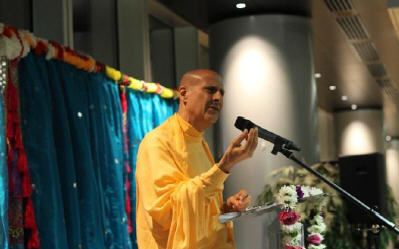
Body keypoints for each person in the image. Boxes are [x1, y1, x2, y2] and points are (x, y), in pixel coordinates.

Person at [135, 69, 258, 249]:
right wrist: (223, 167)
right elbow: (167, 212)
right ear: (184, 94)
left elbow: (195, 207)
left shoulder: (199, 142)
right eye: (210, 90)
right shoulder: (157, 142)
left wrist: (224, 208)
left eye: (221, 93)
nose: (218, 98)